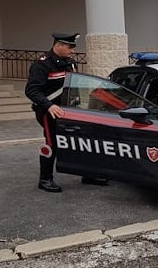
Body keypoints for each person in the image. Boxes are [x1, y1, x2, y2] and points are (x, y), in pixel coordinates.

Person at [24, 32, 108, 192]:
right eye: (70, 47)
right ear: (58, 45)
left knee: (81, 141)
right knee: (52, 143)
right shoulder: (42, 65)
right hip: (49, 112)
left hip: (70, 110)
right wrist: (49, 105)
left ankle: (88, 174)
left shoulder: (70, 62)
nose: (73, 51)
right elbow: (31, 91)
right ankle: (45, 179)